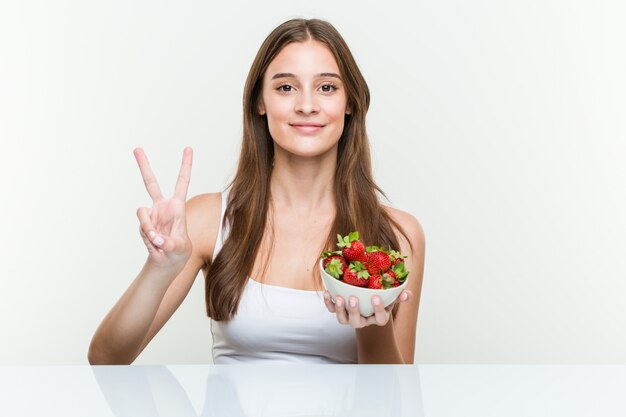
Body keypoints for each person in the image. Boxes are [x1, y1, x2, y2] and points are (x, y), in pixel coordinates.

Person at [88, 18, 425, 365]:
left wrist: (371, 325)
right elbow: (106, 359)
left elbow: (393, 401)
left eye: (326, 87)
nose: (307, 105)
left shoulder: (399, 235)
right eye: (285, 88)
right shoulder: (206, 219)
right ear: (259, 103)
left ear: (350, 102)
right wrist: (160, 268)